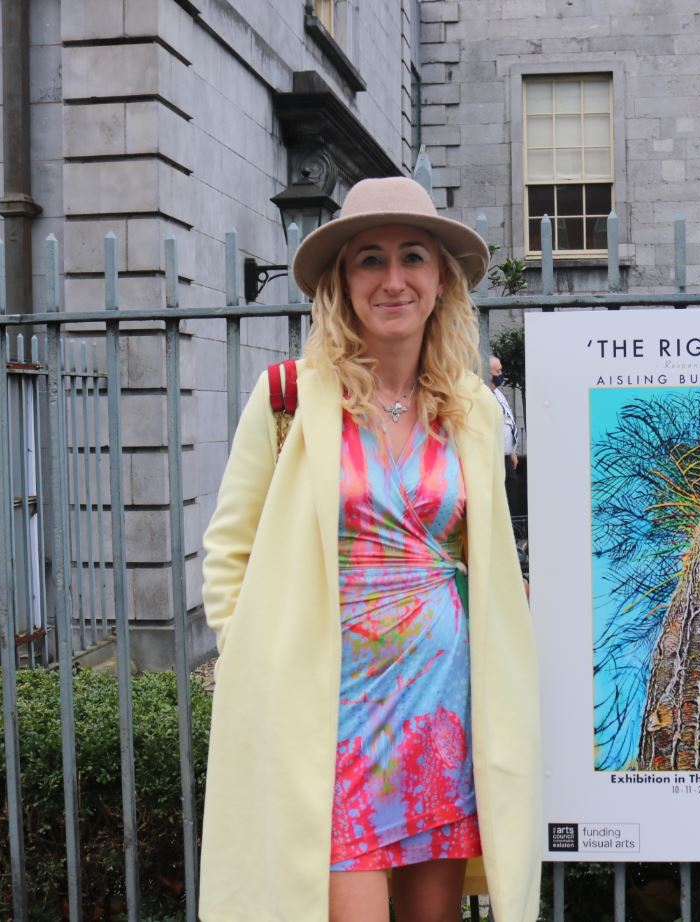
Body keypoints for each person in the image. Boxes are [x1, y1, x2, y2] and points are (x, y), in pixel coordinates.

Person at [197, 176, 541, 922]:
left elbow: (485, 559)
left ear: (440, 278)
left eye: (412, 257)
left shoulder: (472, 410)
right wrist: (252, 656)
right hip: (331, 713)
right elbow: (229, 548)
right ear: (341, 283)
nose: (393, 279)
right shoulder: (290, 395)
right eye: (369, 260)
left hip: (442, 709)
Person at [487, 354, 521, 503]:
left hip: (504, 456)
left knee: (512, 488)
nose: (501, 374)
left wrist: (511, 450)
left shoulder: (498, 393)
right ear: (489, 373)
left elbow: (508, 421)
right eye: (498, 371)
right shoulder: (483, 393)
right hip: (491, 456)